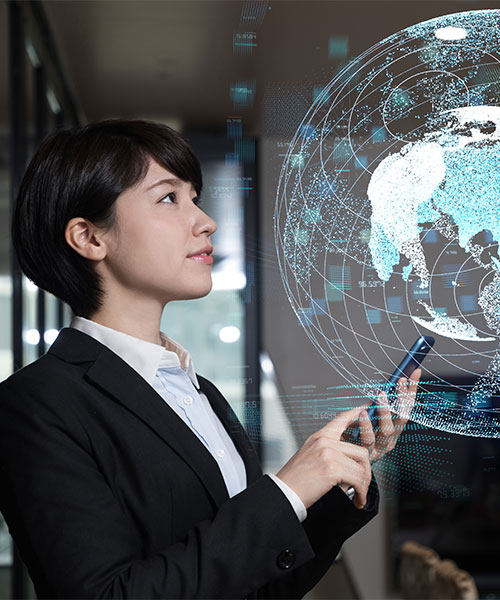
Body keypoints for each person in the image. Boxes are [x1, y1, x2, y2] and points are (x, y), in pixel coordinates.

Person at [0, 120, 420, 599]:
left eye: (194, 197)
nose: (205, 220)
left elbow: (254, 584)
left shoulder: (196, 391)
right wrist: (286, 491)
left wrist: (340, 477)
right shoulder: (36, 404)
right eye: (168, 198)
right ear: (90, 238)